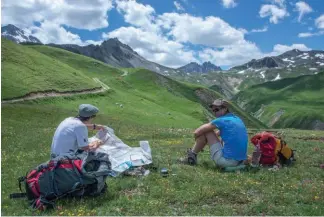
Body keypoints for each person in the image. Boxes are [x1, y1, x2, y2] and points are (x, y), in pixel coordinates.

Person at [180, 99, 248, 168]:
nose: (214, 113)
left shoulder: (222, 120)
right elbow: (218, 134)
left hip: (227, 162)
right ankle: (192, 156)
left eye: (217, 110)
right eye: (213, 110)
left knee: (206, 131)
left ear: (225, 109)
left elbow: (196, 132)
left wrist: (199, 141)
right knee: (208, 133)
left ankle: (191, 157)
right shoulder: (236, 119)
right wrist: (205, 141)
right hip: (240, 161)